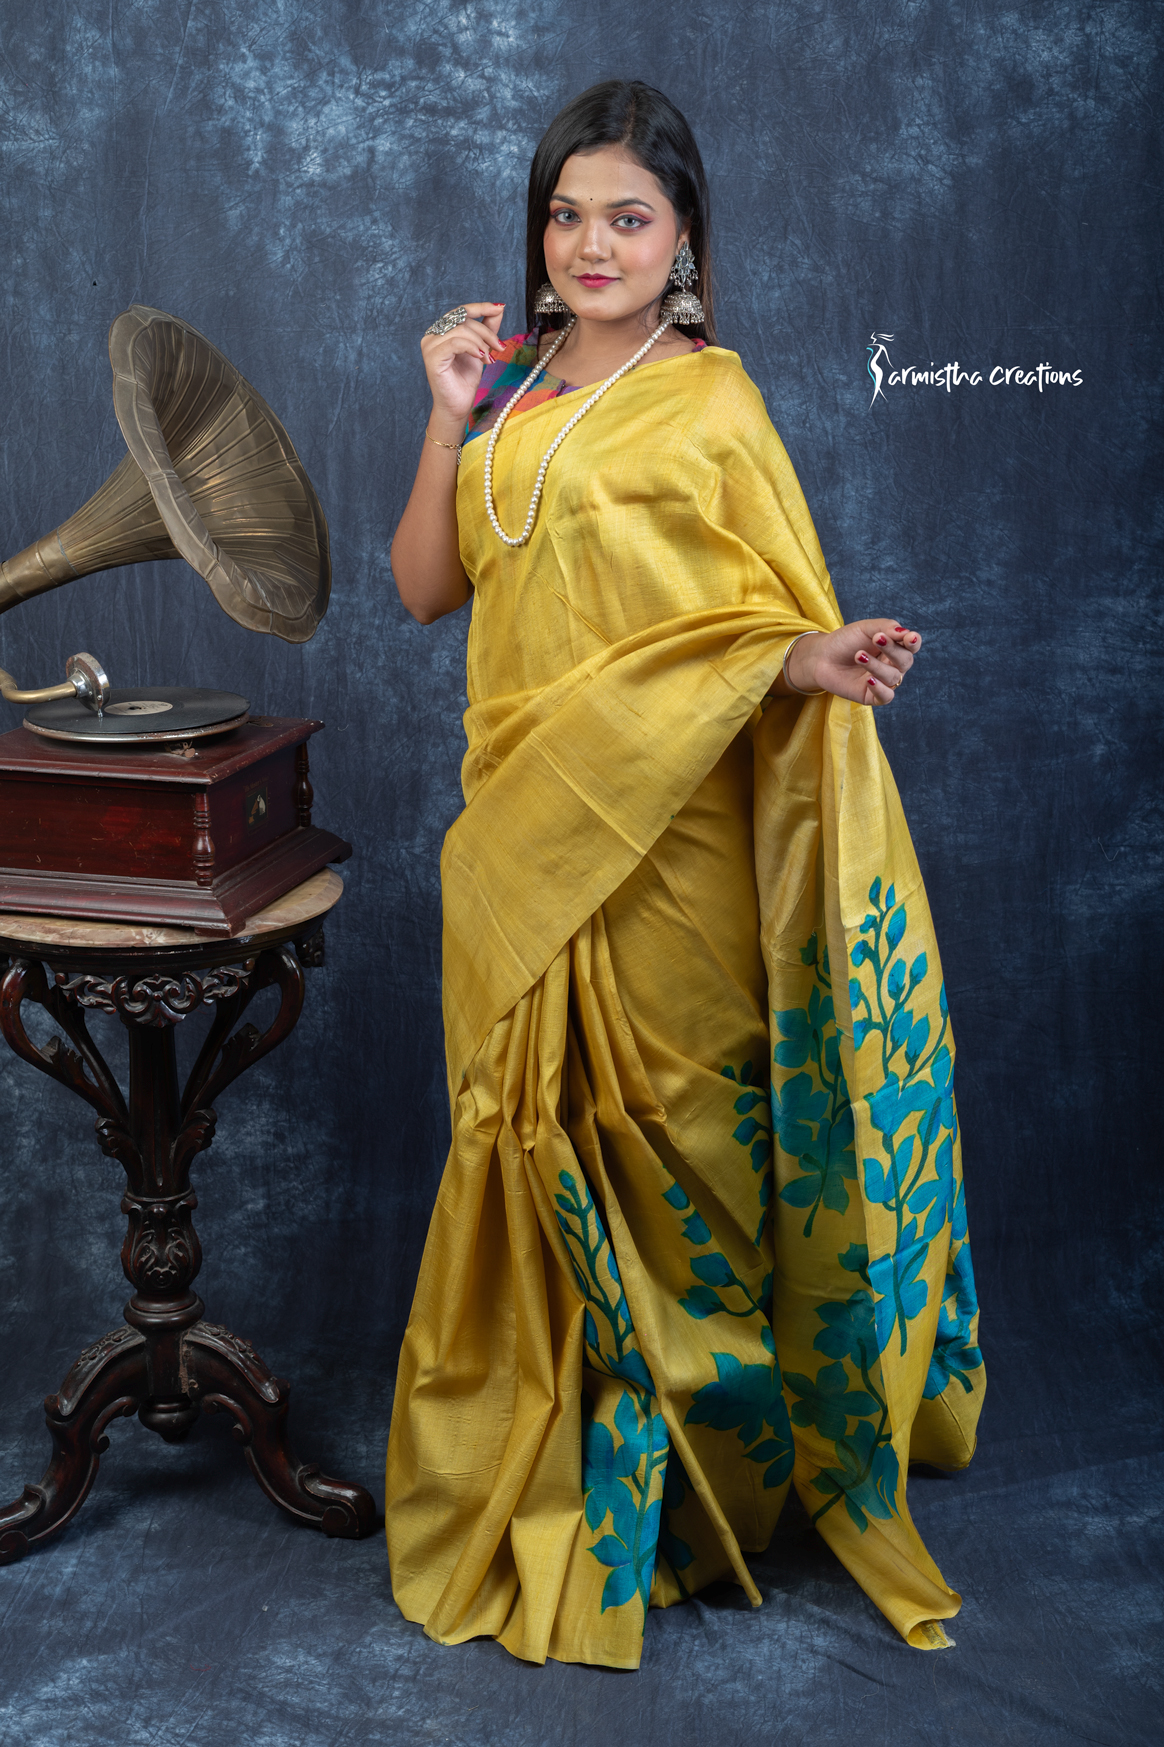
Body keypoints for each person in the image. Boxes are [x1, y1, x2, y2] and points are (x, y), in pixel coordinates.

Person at [386, 80, 985, 1671]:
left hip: (670, 846)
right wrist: (446, 408)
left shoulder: (713, 401)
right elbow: (425, 587)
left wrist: (817, 655)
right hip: (522, 839)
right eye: (566, 215)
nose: (591, 245)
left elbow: (744, 616)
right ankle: (581, 1446)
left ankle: (708, 1476)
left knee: (683, 1152)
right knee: (535, 1139)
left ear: (685, 238)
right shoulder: (506, 386)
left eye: (628, 218)